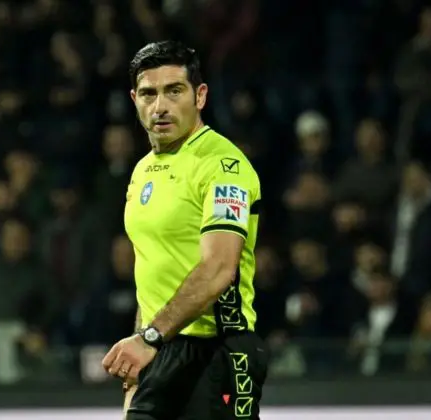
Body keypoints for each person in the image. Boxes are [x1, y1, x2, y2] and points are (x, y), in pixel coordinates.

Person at [102, 41, 269, 420]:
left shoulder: (224, 166)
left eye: (174, 91)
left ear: (200, 96)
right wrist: (138, 370)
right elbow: (152, 273)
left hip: (217, 352)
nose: (160, 106)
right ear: (134, 99)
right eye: (149, 93)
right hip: (161, 348)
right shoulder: (143, 170)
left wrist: (148, 339)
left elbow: (218, 269)